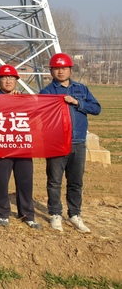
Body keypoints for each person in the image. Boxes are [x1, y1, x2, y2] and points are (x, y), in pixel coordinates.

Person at [40, 53, 101, 233]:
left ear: (70, 70)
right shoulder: (46, 92)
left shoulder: (82, 89)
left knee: (76, 182)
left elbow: (96, 108)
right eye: (57, 69)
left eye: (64, 68)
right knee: (54, 181)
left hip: (78, 142)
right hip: (56, 143)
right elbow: (40, 116)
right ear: (51, 71)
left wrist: (77, 102)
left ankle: (74, 214)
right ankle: (55, 214)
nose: (60, 72)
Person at [0, 65, 42, 230]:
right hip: (2, 146)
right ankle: (3, 213)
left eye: (11, 78)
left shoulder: (25, 99)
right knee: (1, 181)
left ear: (16, 80)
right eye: (4, 78)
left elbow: (36, 118)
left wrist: (21, 100)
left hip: (22, 145)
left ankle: (27, 214)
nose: (8, 81)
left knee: (25, 180)